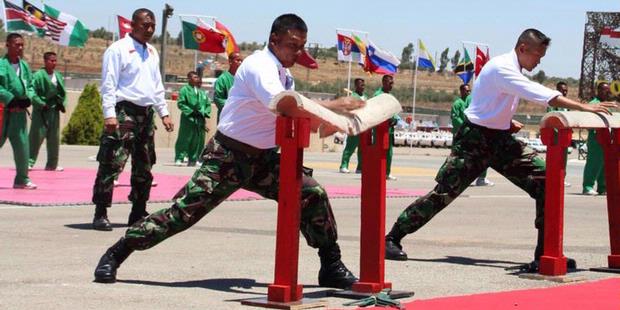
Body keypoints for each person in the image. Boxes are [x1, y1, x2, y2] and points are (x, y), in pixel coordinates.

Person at [93, 13, 362, 289]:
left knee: (311, 193)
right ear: (274, 40)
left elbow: (296, 117)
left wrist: (332, 122)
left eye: (302, 46)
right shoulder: (259, 66)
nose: (298, 52)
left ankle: (331, 264)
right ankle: (118, 250)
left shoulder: (285, 74)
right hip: (228, 158)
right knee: (182, 214)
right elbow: (285, 106)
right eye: (293, 45)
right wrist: (335, 106)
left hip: (264, 160)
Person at [383, 29, 617, 272]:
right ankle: (391, 238)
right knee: (444, 194)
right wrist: (584, 107)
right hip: (475, 140)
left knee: (548, 180)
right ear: (523, 49)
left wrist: (505, 121)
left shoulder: (512, 69)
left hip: (500, 138)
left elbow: (490, 100)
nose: (539, 62)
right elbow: (541, 94)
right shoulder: (502, 67)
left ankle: (547, 252)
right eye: (538, 55)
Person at [91, 8, 174, 231]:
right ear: (132, 25)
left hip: (145, 114)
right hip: (123, 112)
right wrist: (109, 114)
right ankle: (101, 212)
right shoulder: (118, 50)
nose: (149, 30)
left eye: (152, 26)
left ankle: (138, 211)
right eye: (145, 25)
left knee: (144, 165)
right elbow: (108, 84)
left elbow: (156, 87)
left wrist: (163, 112)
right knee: (112, 162)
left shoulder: (152, 52)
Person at [0, 33, 36, 189]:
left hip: (19, 114)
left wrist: (27, 99)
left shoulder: (25, 66)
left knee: (22, 146)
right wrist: (10, 99)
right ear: (8, 45)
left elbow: (30, 86)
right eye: (17, 44)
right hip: (3, 111)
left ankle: (22, 179)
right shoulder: (1, 64)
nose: (20, 48)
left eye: (22, 45)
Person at [28, 51, 66, 172]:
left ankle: (52, 164)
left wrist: (61, 103)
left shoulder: (58, 76)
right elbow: (31, 92)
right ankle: (29, 162)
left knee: (54, 138)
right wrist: (40, 102)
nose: (54, 63)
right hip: (41, 111)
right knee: (36, 137)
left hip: (54, 111)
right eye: (51, 60)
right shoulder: (38, 75)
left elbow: (62, 92)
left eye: (55, 60)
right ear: (45, 61)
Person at [451, 84, 494, 187]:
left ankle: (481, 178)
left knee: (482, 155)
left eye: (470, 91)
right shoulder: (457, 104)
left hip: (474, 134)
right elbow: (455, 118)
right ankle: (456, 178)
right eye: (467, 91)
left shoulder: (472, 102)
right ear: (461, 91)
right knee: (459, 158)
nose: (469, 93)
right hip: (462, 135)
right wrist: (465, 128)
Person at [174, 71, 211, 167]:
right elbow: (181, 103)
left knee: (197, 140)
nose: (197, 79)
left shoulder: (201, 92)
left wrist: (204, 113)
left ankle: (193, 159)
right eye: (194, 77)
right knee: (184, 138)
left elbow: (207, 104)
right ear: (189, 79)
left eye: (197, 77)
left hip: (199, 119)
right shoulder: (184, 90)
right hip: (188, 119)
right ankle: (179, 158)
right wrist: (191, 112)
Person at [582, 82, 611, 196]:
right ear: (598, 90)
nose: (607, 92)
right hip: (595, 138)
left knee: (604, 163)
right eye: (604, 90)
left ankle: (602, 187)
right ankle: (588, 186)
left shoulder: (607, 104)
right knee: (594, 163)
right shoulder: (593, 104)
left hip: (606, 137)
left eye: (608, 90)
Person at [339, 78, 367, 174]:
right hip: (355, 126)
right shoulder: (353, 96)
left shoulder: (365, 97)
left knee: (362, 149)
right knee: (350, 147)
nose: (362, 86)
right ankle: (343, 165)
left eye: (363, 85)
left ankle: (360, 167)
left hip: (364, 126)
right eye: (360, 85)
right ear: (355, 86)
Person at [373, 75, 398, 180]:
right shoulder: (378, 95)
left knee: (389, 153)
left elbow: (394, 111)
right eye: (390, 83)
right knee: (379, 152)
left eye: (392, 83)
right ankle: (377, 172)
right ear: (384, 82)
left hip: (389, 130)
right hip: (380, 130)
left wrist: (395, 119)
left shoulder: (390, 96)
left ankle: (386, 173)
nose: (391, 85)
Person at [547, 81, 570, 187]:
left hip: (564, 136)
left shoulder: (567, 104)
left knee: (563, 160)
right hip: (555, 137)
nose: (564, 92)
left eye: (566, 90)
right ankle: (552, 178)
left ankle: (562, 178)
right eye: (562, 90)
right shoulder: (552, 103)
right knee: (554, 160)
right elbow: (550, 118)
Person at [213, 52, 243, 123]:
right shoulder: (222, 79)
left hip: (240, 119)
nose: (240, 62)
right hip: (226, 119)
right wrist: (234, 105)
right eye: (238, 60)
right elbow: (218, 99)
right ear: (230, 62)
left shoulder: (243, 78)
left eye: (242, 60)